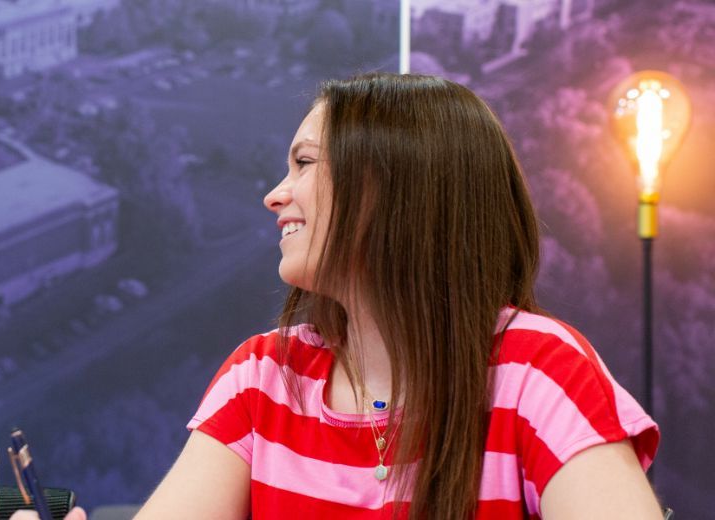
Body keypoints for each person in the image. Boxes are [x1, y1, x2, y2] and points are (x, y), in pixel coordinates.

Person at [132, 73, 662, 518]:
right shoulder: (261, 376)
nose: (275, 195)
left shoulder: (540, 371)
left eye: (305, 163)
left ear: (390, 185)